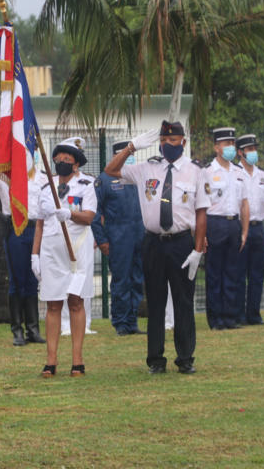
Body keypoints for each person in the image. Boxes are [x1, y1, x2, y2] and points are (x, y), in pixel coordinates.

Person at [104, 121, 209, 374]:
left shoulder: (196, 171)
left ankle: (185, 359)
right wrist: (131, 147)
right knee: (155, 302)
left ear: (183, 142)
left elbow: (201, 214)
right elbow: (110, 170)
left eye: (172, 141)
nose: (167, 145)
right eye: (163, 141)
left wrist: (197, 250)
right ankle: (155, 360)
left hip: (181, 242)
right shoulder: (146, 168)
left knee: (183, 301)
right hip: (153, 242)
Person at [31, 137, 97, 377]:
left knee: (76, 302)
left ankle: (77, 360)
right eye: (58, 158)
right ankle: (51, 360)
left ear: (76, 164)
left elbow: (89, 217)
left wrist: (69, 214)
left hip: (76, 251)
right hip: (51, 251)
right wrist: (34, 254)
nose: (61, 162)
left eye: (67, 159)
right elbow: (40, 224)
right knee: (53, 303)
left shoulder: (86, 185)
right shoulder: (45, 189)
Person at [0, 160, 47, 346]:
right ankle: (17, 331)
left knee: (33, 279)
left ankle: (33, 330)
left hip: (38, 229)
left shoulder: (44, 178)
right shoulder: (4, 177)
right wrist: (1, 159)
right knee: (17, 280)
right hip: (16, 229)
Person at [92, 140, 147, 336]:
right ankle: (121, 322)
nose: (129, 158)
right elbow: (95, 212)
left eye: (131, 154)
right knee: (121, 280)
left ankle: (132, 321)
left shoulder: (139, 176)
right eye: (125, 154)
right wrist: (101, 239)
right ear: (116, 155)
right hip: (118, 234)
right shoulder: (105, 179)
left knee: (137, 279)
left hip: (141, 233)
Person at [202, 128, 249, 330]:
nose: (231, 147)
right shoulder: (207, 171)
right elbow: (201, 204)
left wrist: (244, 231)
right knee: (214, 273)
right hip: (214, 223)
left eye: (232, 143)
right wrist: (202, 233)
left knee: (232, 272)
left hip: (233, 224)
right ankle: (216, 319)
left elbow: (244, 204)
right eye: (227, 144)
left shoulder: (239, 172)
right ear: (217, 147)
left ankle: (230, 318)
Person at [236, 134, 264, 326]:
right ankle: (239, 314)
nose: (253, 152)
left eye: (254, 149)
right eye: (249, 149)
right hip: (240, 228)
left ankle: (254, 314)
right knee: (239, 273)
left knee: (257, 275)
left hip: (258, 228)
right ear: (240, 152)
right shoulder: (235, 173)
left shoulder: (262, 175)